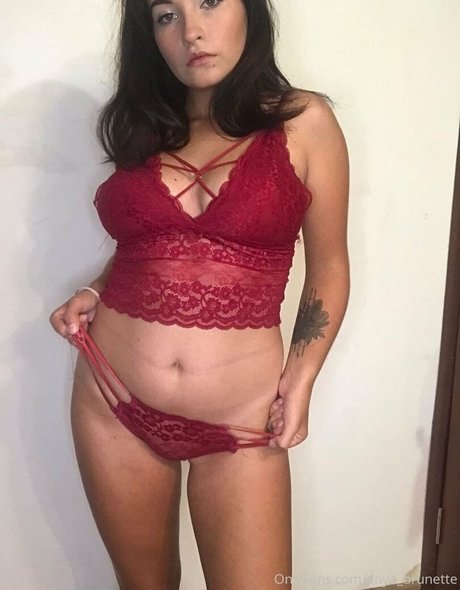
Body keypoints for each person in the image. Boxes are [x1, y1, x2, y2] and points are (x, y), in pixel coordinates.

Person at [49, 0, 350, 588]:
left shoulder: (304, 121)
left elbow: (330, 266)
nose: (191, 30)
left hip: (242, 420)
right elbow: (148, 243)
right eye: (166, 14)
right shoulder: (145, 128)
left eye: (210, 1)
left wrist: (303, 376)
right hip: (112, 400)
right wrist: (94, 288)